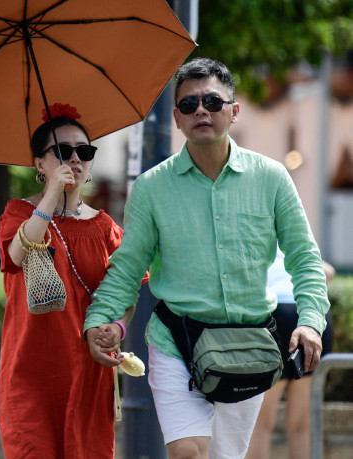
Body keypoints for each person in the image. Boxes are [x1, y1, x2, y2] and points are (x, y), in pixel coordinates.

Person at [83, 57, 330, 459]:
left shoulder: (272, 178)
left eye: (213, 102)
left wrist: (311, 322)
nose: (201, 110)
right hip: (175, 342)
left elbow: (305, 258)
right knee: (188, 451)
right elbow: (127, 267)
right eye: (189, 104)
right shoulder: (151, 188)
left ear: (234, 112)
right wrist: (100, 319)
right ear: (177, 119)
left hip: (248, 347)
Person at [0, 103, 136, 458]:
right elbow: (17, 255)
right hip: (31, 373)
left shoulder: (105, 228)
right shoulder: (18, 212)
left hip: (89, 373)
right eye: (61, 151)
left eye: (84, 151)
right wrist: (51, 197)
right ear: (39, 164)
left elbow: (126, 292)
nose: (74, 158)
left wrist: (118, 326)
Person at [246, 249, 336, 459]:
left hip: (274, 313)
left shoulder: (257, 242)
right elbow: (328, 272)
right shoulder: (294, 244)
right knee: (302, 424)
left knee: (260, 423)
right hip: (313, 317)